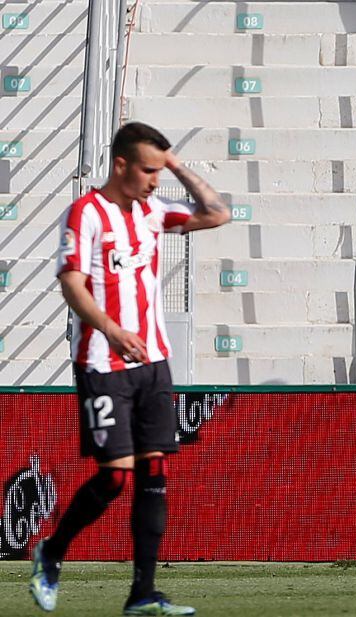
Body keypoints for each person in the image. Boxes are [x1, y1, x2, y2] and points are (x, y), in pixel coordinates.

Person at [30, 122, 231, 615]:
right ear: (120, 165)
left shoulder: (152, 212)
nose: (155, 180)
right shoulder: (86, 214)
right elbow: (72, 284)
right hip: (103, 363)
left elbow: (217, 213)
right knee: (116, 477)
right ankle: (51, 552)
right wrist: (111, 330)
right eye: (148, 170)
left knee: (155, 473)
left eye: (160, 171)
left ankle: (143, 593)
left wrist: (175, 163)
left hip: (154, 363)